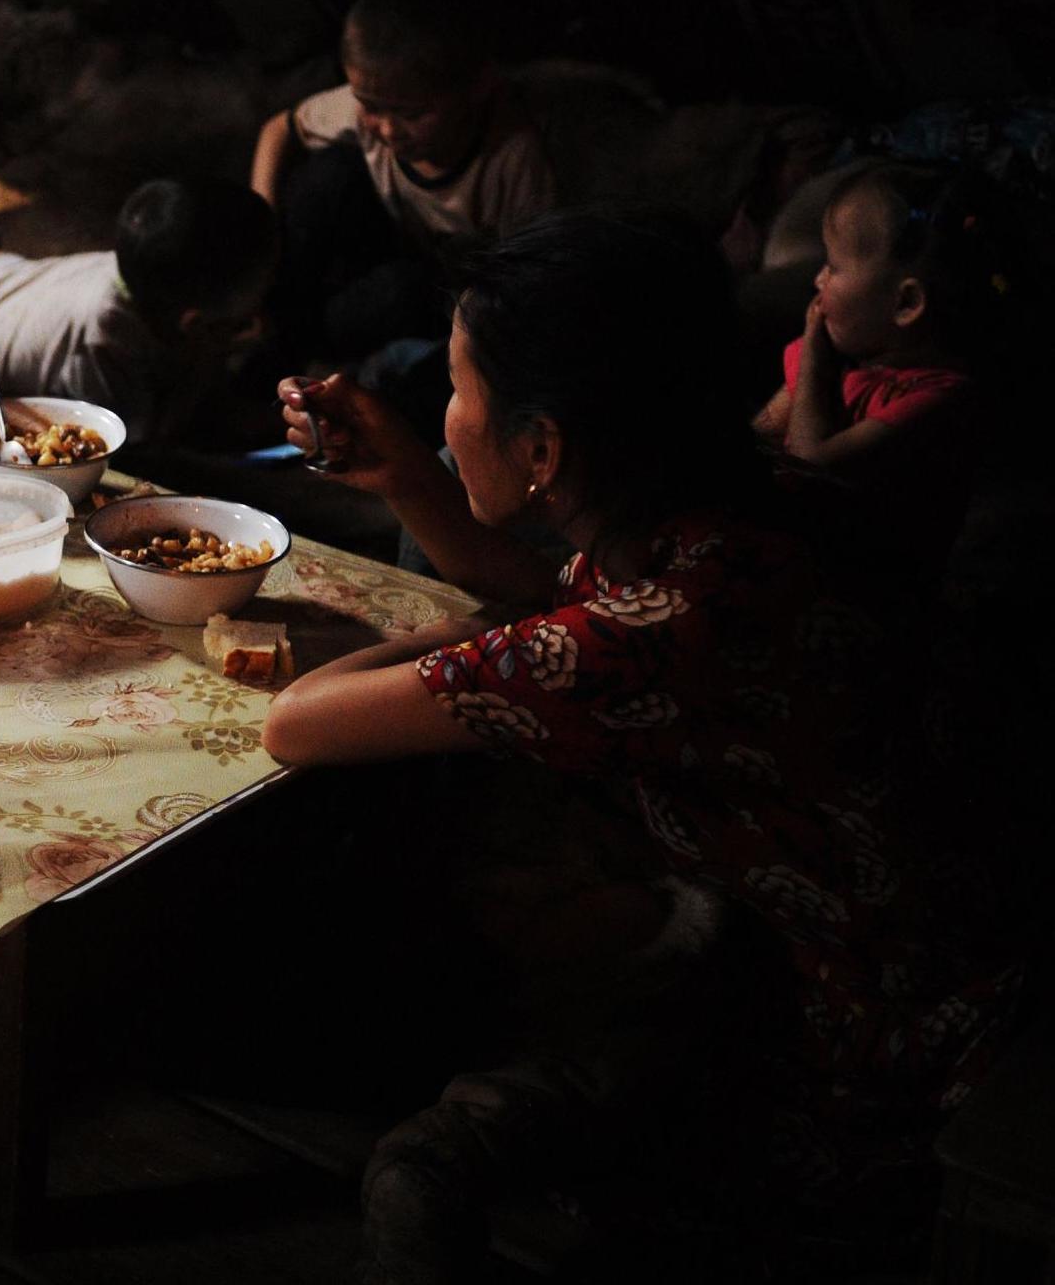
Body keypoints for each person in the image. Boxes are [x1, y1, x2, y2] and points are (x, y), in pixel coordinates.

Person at [262, 211, 1022, 1276]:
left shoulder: (634, 639)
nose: (447, 412)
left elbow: (293, 722)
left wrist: (491, 644)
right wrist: (407, 479)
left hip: (871, 1054)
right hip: (941, 947)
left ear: (542, 449)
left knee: (422, 1122)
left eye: (459, 387)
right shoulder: (747, 508)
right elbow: (546, 587)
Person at [251, 0, 554, 365]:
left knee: (403, 291)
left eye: (414, 114)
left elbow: (525, 282)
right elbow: (278, 130)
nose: (389, 129)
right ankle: (269, 316)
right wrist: (264, 238)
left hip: (436, 283)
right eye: (371, 106)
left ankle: (287, 347)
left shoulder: (513, 157)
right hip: (378, 243)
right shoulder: (378, 102)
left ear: (479, 88)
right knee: (326, 177)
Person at [0, 179, 276, 447]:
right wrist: (211, 356)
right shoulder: (102, 356)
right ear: (196, 324)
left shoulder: (132, 270)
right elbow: (156, 441)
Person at [753, 160, 987, 587]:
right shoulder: (841, 364)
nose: (818, 278)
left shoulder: (939, 399)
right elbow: (757, 442)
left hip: (867, 595)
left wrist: (813, 365)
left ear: (906, 304)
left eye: (834, 266)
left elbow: (809, 472)